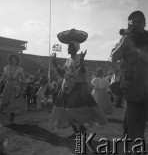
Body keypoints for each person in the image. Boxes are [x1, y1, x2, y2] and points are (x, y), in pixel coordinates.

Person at [49, 41, 108, 138]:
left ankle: (80, 129)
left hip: (76, 89)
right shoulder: (68, 60)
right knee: (65, 111)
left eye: (69, 47)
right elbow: (63, 73)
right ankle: (78, 131)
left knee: (73, 111)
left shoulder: (78, 59)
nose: (67, 48)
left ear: (75, 48)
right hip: (66, 88)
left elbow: (83, 71)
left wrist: (82, 62)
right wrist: (54, 62)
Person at [111, 11, 148, 142]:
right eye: (133, 22)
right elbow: (114, 57)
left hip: (146, 86)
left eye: (139, 21)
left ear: (144, 23)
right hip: (131, 89)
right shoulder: (126, 38)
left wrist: (135, 49)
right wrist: (125, 42)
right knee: (136, 129)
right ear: (129, 24)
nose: (137, 24)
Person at [0, 54, 26, 124]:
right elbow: (2, 78)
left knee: (14, 101)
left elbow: (23, 79)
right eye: (12, 59)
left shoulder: (20, 69)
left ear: (17, 60)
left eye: (15, 59)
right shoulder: (6, 68)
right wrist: (0, 87)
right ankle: (7, 115)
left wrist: (22, 88)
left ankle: (12, 117)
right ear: (10, 60)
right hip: (8, 85)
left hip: (16, 86)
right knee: (5, 99)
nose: (13, 60)